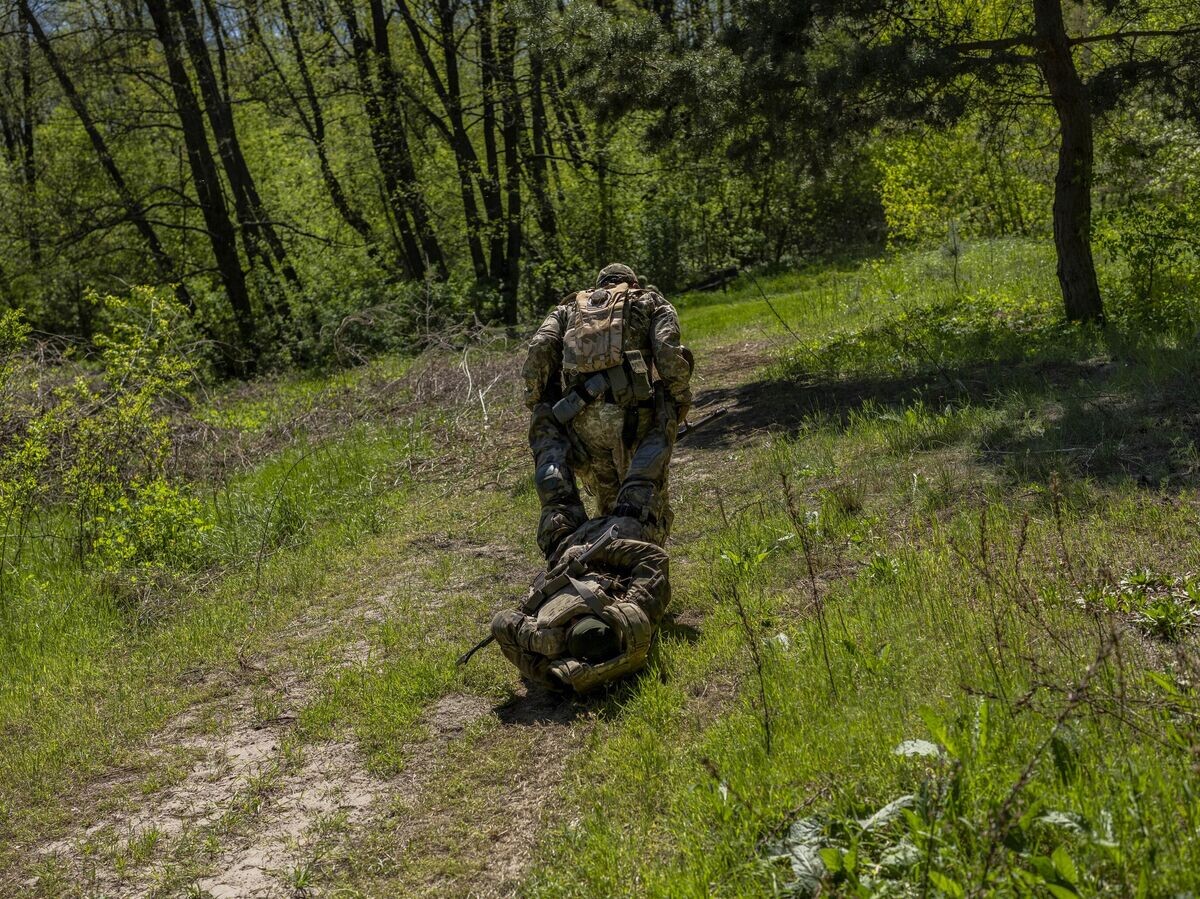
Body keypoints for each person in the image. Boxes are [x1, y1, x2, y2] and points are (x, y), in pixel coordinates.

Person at [523, 263, 692, 556]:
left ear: (599, 285)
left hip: (583, 422)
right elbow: (666, 351)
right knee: (645, 500)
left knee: (608, 500)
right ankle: (642, 565)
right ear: (632, 282)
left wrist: (536, 399)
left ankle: (605, 562)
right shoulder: (649, 301)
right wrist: (679, 397)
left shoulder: (568, 310)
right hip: (637, 418)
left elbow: (540, 347)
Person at [490, 515, 670, 694]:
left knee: (555, 500)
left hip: (561, 548)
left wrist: (538, 640)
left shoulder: (553, 673)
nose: (570, 616)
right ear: (608, 618)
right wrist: (592, 550)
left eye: (570, 623)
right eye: (588, 612)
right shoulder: (637, 614)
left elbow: (501, 623)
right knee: (638, 496)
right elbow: (655, 558)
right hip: (612, 543)